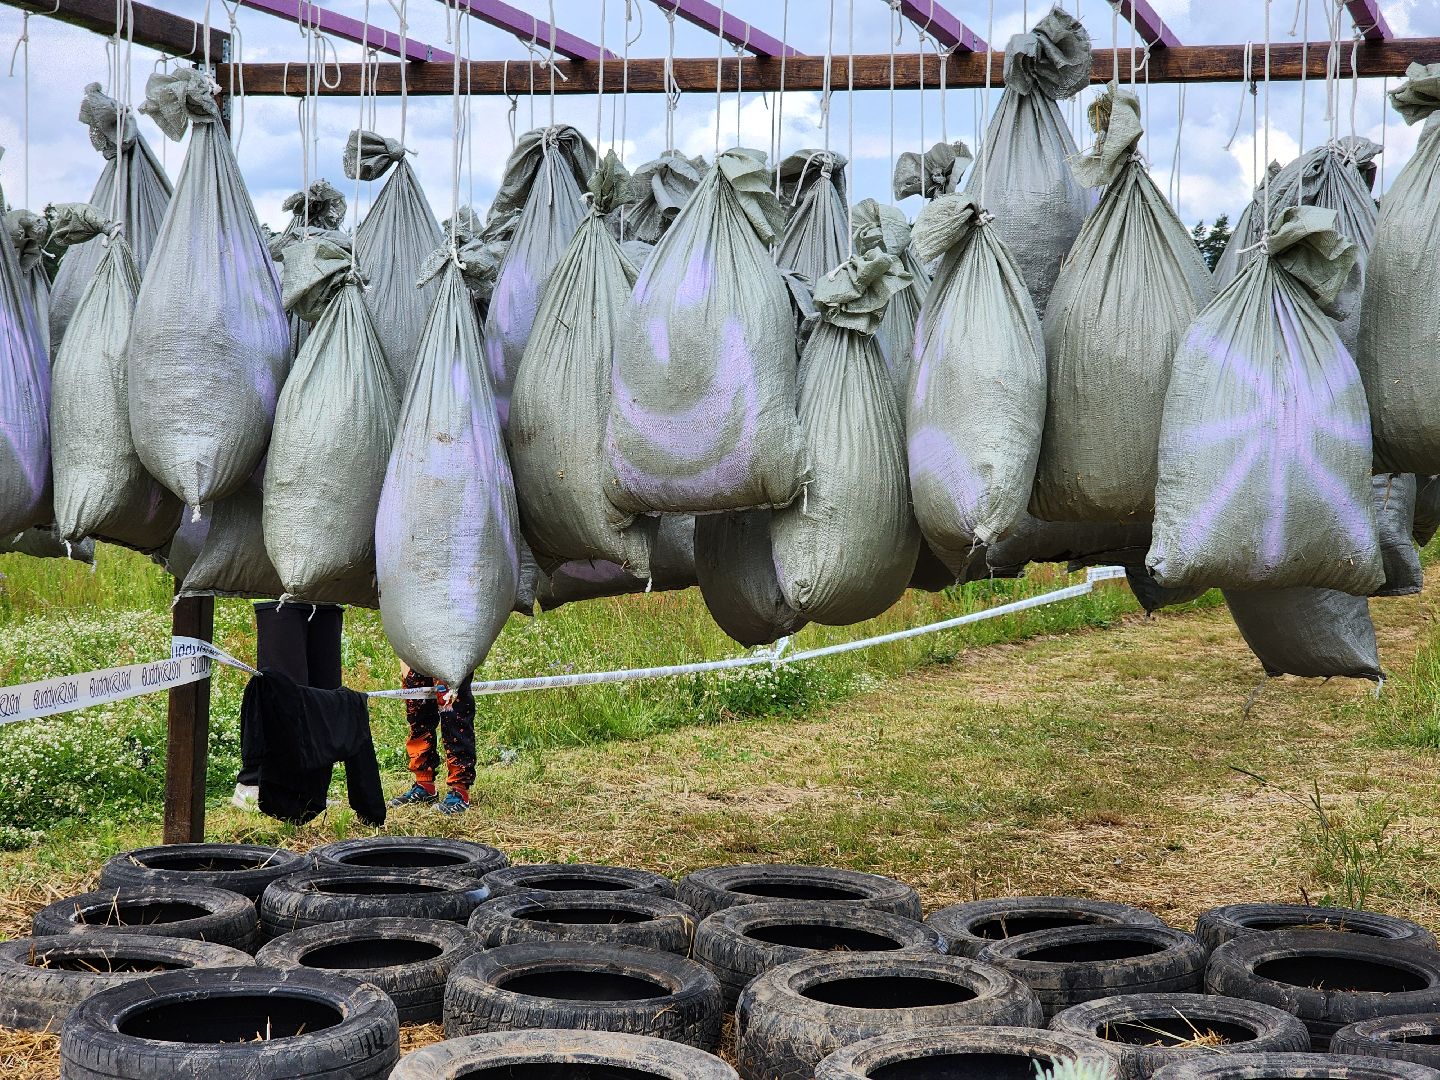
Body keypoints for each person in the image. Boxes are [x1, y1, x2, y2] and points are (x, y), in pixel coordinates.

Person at [232, 601, 344, 811]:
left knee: (325, 692)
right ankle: (255, 782)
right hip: (279, 593)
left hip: (328, 589)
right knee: (283, 690)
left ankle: (309, 788)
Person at [390, 664, 476, 815]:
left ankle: (459, 790)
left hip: (449, 649)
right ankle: (425, 785)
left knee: (453, 712)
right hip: (414, 646)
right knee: (417, 712)